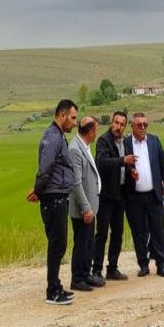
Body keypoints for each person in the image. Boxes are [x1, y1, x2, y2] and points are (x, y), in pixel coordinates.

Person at [27, 100, 79, 305]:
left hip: (58, 195)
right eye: (73, 118)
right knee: (57, 245)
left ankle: (56, 286)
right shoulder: (52, 138)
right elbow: (45, 168)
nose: (75, 123)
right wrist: (38, 191)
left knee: (59, 244)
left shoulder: (58, 137)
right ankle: (52, 291)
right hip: (53, 197)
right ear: (62, 115)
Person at [123, 112, 164, 277]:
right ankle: (143, 265)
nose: (143, 127)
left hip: (154, 195)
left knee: (158, 230)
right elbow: (121, 166)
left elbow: (163, 164)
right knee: (139, 232)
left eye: (145, 124)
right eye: (139, 125)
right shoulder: (125, 143)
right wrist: (130, 171)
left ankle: (161, 265)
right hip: (134, 196)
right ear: (132, 126)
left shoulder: (154, 141)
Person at [94, 111, 135, 281]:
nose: (118, 127)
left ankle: (112, 268)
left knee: (117, 233)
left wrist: (131, 171)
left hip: (120, 194)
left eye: (122, 124)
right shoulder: (104, 140)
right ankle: (96, 270)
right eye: (116, 123)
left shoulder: (124, 142)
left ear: (125, 126)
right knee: (102, 233)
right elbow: (101, 163)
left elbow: (125, 165)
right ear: (111, 122)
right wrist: (122, 160)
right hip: (105, 196)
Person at [68, 116, 101, 291]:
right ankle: (77, 278)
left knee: (89, 242)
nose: (97, 132)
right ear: (90, 131)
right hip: (82, 208)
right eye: (96, 129)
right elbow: (76, 182)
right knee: (81, 242)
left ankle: (86, 273)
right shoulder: (75, 149)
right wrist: (86, 207)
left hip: (90, 205)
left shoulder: (85, 146)